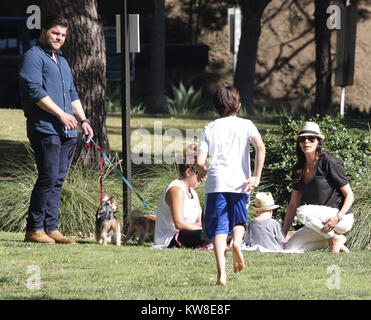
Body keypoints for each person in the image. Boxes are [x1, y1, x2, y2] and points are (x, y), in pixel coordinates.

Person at [19, 15, 94, 244]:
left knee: (58, 179)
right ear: (44, 31)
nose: (59, 38)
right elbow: (35, 92)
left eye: (63, 35)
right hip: (46, 128)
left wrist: (83, 120)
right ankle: (34, 229)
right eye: (55, 33)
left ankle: (52, 228)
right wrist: (61, 114)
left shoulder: (61, 60)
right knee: (48, 176)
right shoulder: (33, 57)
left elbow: (71, 94)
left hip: (67, 132)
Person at [196, 83, 266, 285]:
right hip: (240, 183)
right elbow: (260, 147)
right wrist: (256, 176)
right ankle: (236, 243)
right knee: (239, 222)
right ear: (239, 106)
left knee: (218, 229)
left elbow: (200, 161)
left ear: (215, 107)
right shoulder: (246, 125)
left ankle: (222, 275)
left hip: (217, 183)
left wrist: (202, 172)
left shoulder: (209, 128)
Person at [282, 122, 355, 253]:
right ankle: (331, 240)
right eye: (302, 139)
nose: (306, 142)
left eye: (311, 138)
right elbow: (293, 204)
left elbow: (350, 195)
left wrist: (337, 217)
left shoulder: (329, 162)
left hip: (341, 219)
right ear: (299, 143)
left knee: (302, 212)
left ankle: (335, 237)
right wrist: (283, 233)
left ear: (318, 142)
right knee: (290, 247)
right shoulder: (298, 169)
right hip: (319, 222)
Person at [154, 145, 212, 249]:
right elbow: (179, 224)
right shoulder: (176, 190)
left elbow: (200, 220)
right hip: (170, 238)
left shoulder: (193, 193)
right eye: (202, 173)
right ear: (189, 172)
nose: (204, 178)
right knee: (208, 236)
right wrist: (204, 230)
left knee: (220, 233)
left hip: (189, 234)